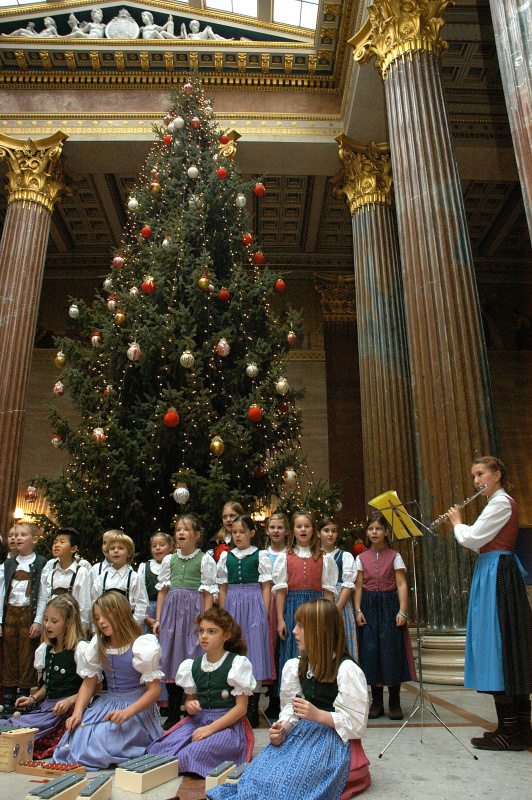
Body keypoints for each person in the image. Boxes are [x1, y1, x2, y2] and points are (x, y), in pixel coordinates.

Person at [207, 599, 370, 800]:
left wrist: (318, 715)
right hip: (302, 734)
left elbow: (356, 724)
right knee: (260, 772)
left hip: (333, 740)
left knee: (290, 781)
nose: (294, 631)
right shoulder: (297, 666)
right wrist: (282, 728)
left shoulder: (346, 670)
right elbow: (291, 711)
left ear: (320, 631)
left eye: (301, 626)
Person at [446, 456, 532, 750]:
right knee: (504, 646)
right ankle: (517, 727)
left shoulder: (500, 503)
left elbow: (471, 538)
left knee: (499, 647)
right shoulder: (497, 503)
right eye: (473, 476)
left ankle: (510, 733)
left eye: (480, 474)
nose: (476, 481)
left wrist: (457, 523)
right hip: (496, 571)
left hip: (497, 574)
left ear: (497, 475)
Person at [53, 591, 163, 768]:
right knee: (80, 736)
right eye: (97, 618)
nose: (101, 622)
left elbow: (155, 691)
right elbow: (89, 684)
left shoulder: (141, 645)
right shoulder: (99, 645)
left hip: (135, 706)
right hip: (107, 702)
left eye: (105, 616)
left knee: (105, 739)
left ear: (120, 613)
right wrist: (77, 712)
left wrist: (127, 712)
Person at [148, 607, 255, 773]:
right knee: (160, 749)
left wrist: (210, 729)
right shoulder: (193, 665)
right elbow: (191, 698)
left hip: (227, 725)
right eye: (201, 631)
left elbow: (241, 708)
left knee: (191, 753)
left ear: (226, 636)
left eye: (212, 631)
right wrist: (191, 705)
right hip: (199, 720)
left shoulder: (237, 663)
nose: (204, 636)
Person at [0, 595, 87, 758]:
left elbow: (92, 687)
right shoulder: (46, 649)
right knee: (12, 726)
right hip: (47, 706)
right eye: (46, 619)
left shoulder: (80, 649)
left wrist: (69, 701)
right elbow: (49, 683)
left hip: (68, 709)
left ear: (68, 623)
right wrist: (33, 699)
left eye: (54, 621)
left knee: (28, 734)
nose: (47, 625)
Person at [154, 515, 216, 730]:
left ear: (197, 535)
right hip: (172, 614)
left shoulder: (205, 560)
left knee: (192, 657)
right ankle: (172, 711)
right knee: (171, 657)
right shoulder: (169, 560)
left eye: (186, 529)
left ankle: (193, 708)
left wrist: (205, 622)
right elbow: (162, 592)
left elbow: (208, 593)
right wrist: (160, 619)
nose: (180, 533)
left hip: (193, 615)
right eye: (178, 529)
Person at [354, 513, 416, 720]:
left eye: (378, 529)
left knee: (391, 650)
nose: (374, 532)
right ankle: (377, 701)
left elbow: (401, 584)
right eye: (371, 529)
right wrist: (358, 610)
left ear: (386, 532)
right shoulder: (361, 558)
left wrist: (402, 610)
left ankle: (395, 701)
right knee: (371, 652)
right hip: (369, 605)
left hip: (390, 605)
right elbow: (359, 586)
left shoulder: (395, 556)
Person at [217, 515, 272, 726]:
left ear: (251, 533)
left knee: (254, 651)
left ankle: (252, 705)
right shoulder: (226, 557)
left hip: (253, 602)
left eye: (242, 532)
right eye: (234, 532)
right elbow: (222, 588)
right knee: (234, 649)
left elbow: (266, 586)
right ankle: (236, 702)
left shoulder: (260, 555)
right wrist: (223, 615)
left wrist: (263, 613)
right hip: (233, 603)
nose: (237, 536)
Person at [273, 510, 337, 680]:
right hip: (292, 610)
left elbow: (328, 593)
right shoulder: (285, 557)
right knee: (293, 650)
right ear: (292, 530)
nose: (303, 530)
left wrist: (329, 618)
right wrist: (280, 620)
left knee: (316, 649)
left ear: (313, 531)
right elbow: (280, 592)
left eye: (307, 526)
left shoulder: (324, 559)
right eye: (299, 526)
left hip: (316, 610)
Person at [0, 523, 47, 716]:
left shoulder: (41, 563)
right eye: (15, 535)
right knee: (10, 653)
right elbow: (1, 593)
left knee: (28, 654)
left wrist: (38, 620)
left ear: (34, 540)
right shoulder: (8, 564)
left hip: (28, 614)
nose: (18, 538)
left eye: (23, 535)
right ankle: (9, 695)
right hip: (10, 613)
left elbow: (43, 594)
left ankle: (25, 695)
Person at [318, 517, 358, 661]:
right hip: (320, 600)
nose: (330, 534)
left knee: (342, 638)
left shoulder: (344, 556)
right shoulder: (314, 556)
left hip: (340, 602)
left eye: (333, 531)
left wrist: (338, 606)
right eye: (326, 530)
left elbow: (348, 584)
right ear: (318, 534)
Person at [37, 528, 91, 633]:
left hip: (72, 627)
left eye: (62, 542)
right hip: (51, 627)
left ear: (73, 549)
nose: (57, 545)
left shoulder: (81, 572)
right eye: (55, 542)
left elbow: (84, 605)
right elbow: (43, 598)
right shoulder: (51, 571)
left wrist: (81, 631)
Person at [91, 532, 148, 627]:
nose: (116, 551)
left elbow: (141, 605)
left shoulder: (134, 578)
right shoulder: (101, 579)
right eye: (112, 549)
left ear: (129, 553)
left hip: (128, 628)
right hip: (105, 627)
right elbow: (94, 604)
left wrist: (133, 626)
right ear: (108, 553)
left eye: (120, 548)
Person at [264, 513, 289, 718]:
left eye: (280, 527)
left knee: (283, 649)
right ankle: (272, 698)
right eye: (272, 527)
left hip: (285, 604)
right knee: (270, 651)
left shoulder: (291, 554)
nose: (276, 531)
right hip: (266, 605)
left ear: (286, 531)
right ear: (267, 530)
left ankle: (285, 697)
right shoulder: (263, 555)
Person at [137, 532, 174, 633]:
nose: (157, 548)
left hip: (170, 611)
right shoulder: (144, 567)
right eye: (154, 546)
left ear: (170, 548)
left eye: (162, 545)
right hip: (150, 612)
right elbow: (140, 594)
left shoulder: (175, 566)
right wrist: (147, 618)